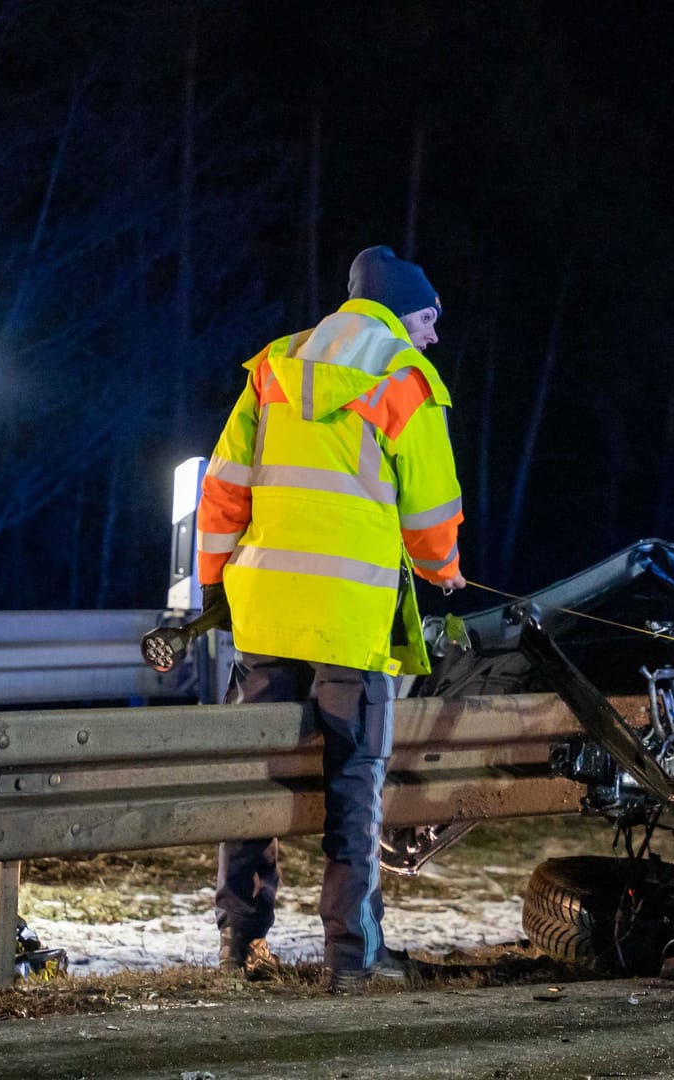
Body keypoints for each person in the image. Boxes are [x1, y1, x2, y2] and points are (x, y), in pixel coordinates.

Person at [194, 245, 467, 994]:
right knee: (354, 785)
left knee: (258, 774)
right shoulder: (405, 377)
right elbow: (430, 508)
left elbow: (222, 488)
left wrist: (217, 586)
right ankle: (353, 957)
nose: (434, 336)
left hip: (265, 615)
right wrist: (444, 570)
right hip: (348, 620)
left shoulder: (275, 365)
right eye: (429, 318)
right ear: (400, 311)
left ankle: (240, 942)